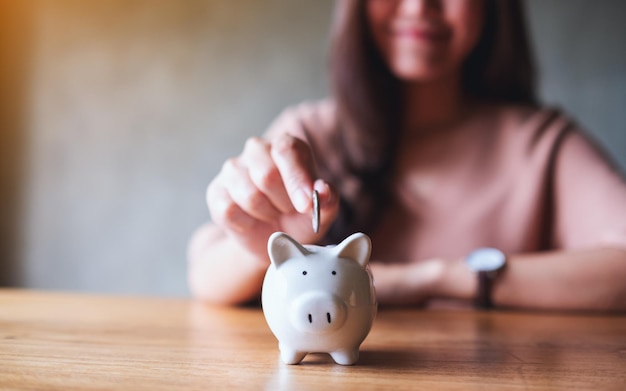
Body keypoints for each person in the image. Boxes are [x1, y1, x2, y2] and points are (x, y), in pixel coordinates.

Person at [188, 0, 626, 310]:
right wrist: (267, 242)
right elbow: (205, 273)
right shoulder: (311, 135)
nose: (419, 6)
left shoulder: (542, 143)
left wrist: (431, 279)